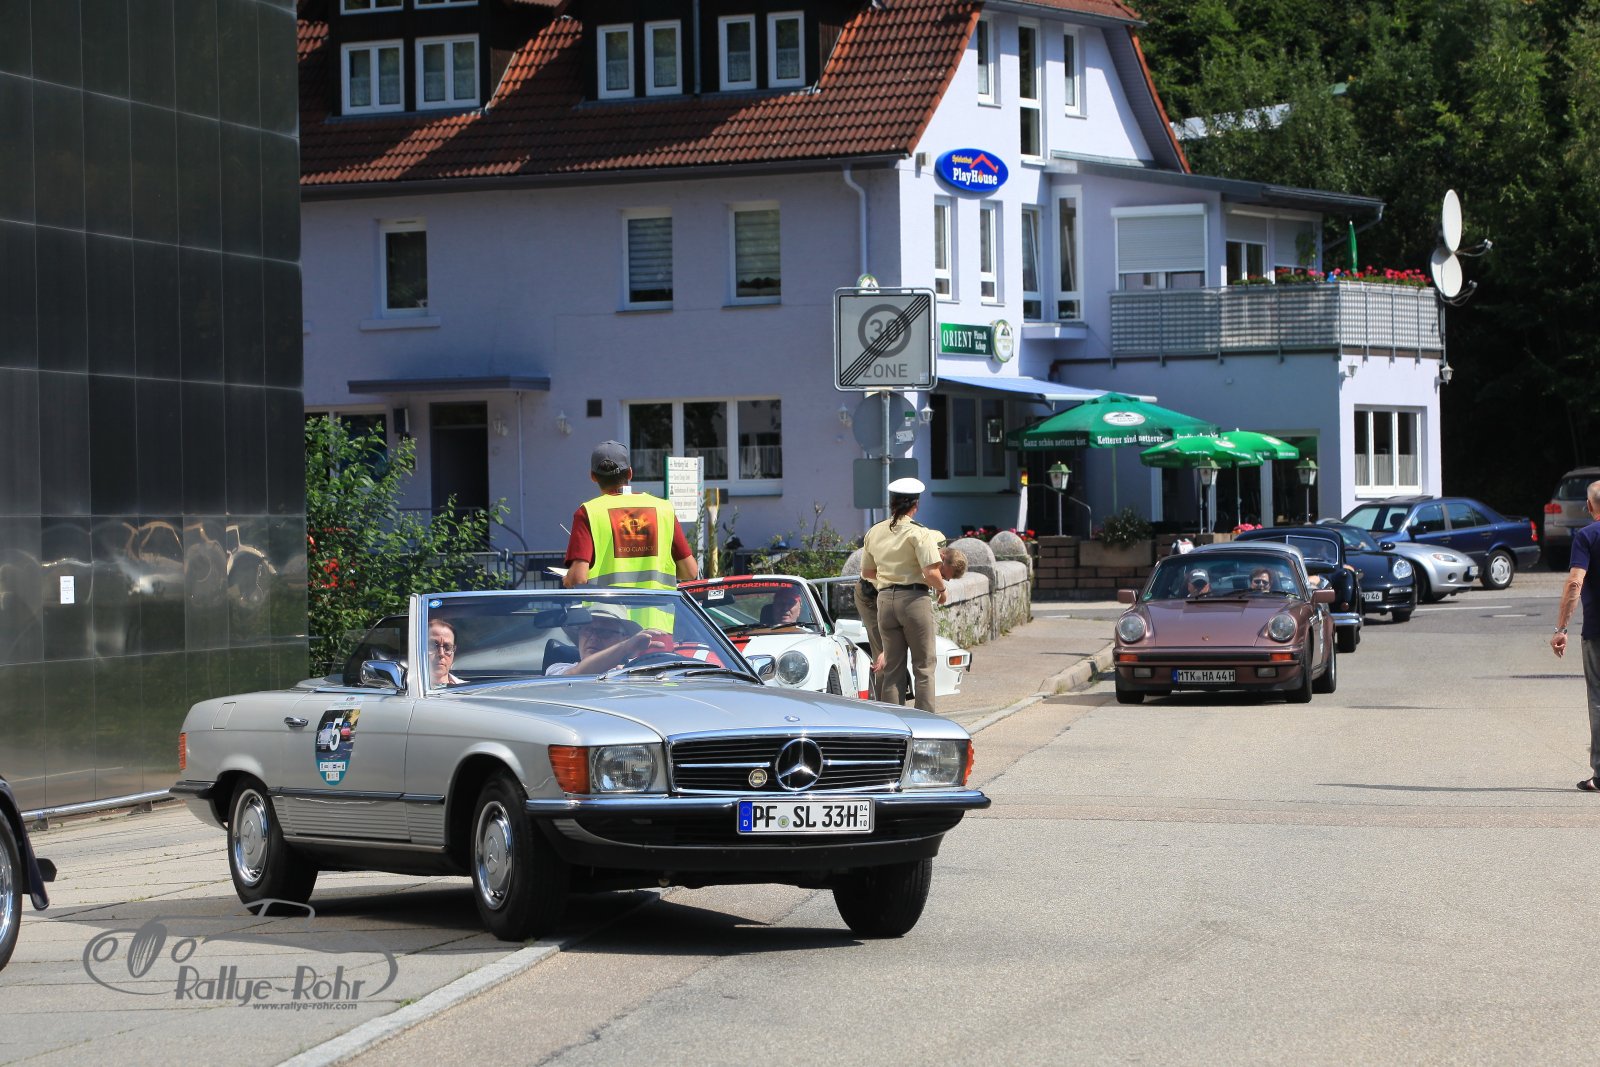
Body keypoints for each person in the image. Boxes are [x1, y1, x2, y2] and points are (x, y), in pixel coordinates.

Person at [860, 477, 948, 712]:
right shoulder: (919, 533)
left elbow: (867, 572)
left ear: (892, 503)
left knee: (892, 668)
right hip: (914, 600)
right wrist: (942, 589)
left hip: (885, 601)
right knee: (924, 666)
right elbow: (931, 572)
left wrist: (887, 584)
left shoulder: (874, 531)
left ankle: (894, 722)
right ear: (915, 505)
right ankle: (925, 722)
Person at [563, 441, 699, 591]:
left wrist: (569, 578)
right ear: (630, 473)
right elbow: (690, 571)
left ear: (593, 476)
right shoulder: (663, 509)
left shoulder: (588, 512)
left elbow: (578, 579)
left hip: (606, 607)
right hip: (657, 606)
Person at [1551, 480, 1600, 790]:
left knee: (1598, 700)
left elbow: (1574, 583)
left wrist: (1561, 628)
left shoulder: (1587, 536)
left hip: (1597, 633)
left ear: (1590, 505)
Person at [546, 605, 672, 676]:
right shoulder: (557, 669)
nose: (593, 637)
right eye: (587, 630)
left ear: (624, 638)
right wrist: (625, 648)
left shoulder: (635, 669)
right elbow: (573, 676)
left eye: (604, 632)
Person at [428, 618, 464, 687]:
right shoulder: (408, 690)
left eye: (447, 647)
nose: (441, 653)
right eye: (433, 646)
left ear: (454, 650)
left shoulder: (470, 689)